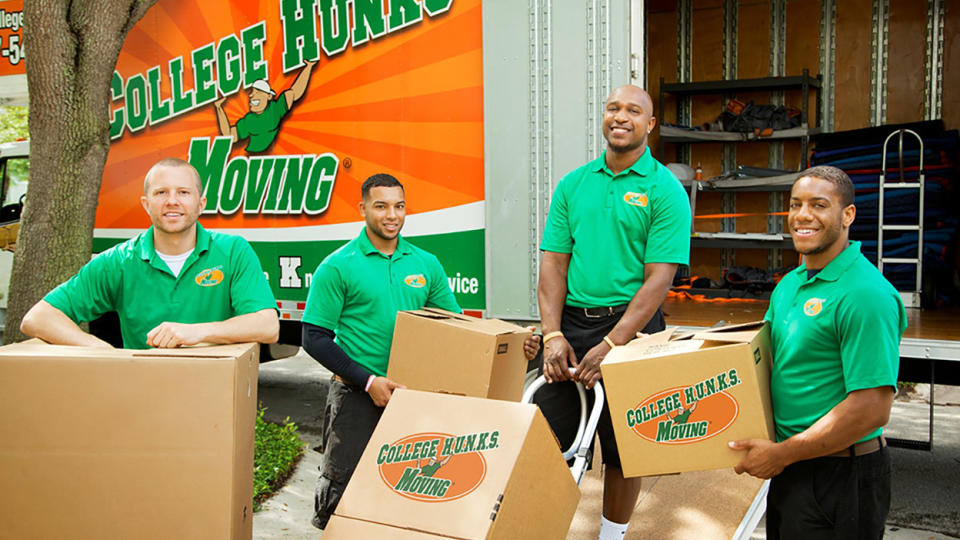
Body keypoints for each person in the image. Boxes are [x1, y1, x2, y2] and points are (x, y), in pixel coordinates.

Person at [302, 173, 541, 529]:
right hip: (357, 397)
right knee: (343, 498)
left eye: (399, 206)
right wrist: (369, 381)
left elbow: (456, 327)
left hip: (412, 399)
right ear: (362, 208)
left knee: (408, 495)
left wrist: (518, 342)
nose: (391, 215)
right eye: (380, 206)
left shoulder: (425, 263)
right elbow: (314, 337)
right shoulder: (339, 265)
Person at [535, 84, 691, 540]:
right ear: (604, 117)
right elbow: (553, 262)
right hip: (570, 327)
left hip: (632, 328)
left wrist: (612, 343)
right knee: (544, 441)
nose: (621, 117)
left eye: (633, 111)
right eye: (613, 108)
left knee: (626, 450)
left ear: (650, 124)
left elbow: (658, 280)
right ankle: (540, 524)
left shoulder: (663, 190)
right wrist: (550, 334)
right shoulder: (574, 183)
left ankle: (610, 535)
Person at [730, 165, 906, 539]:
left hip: (842, 475)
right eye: (795, 205)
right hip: (793, 468)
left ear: (847, 215)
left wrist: (782, 454)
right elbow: (766, 365)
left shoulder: (864, 294)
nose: (802, 216)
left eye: (818, 205)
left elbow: (871, 407)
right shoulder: (790, 284)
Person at [20, 158, 278, 349]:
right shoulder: (118, 261)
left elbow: (267, 326)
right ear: (146, 204)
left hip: (214, 389)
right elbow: (37, 318)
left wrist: (195, 332)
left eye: (184, 193)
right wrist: (98, 348)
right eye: (161, 193)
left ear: (201, 204)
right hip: (143, 393)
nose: (172, 201)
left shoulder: (233, 251)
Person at [213, 59, 317, 153]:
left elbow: (294, 91)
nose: (252, 95)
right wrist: (219, 108)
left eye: (258, 91)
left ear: (269, 96)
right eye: (252, 92)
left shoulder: (275, 109)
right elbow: (229, 134)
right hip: (250, 156)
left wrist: (308, 67)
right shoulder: (249, 120)